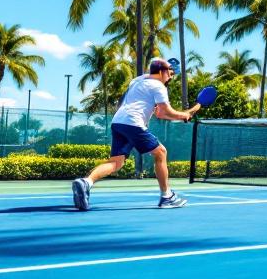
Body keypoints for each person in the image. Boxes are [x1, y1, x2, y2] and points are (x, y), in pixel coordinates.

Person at [72, 57, 199, 211]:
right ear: (160, 71)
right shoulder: (158, 87)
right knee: (161, 152)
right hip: (133, 123)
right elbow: (165, 112)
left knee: (116, 163)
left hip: (118, 122)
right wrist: (183, 115)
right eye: (170, 73)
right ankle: (167, 197)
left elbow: (159, 113)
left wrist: (183, 114)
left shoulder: (137, 81)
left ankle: (86, 182)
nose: (171, 77)